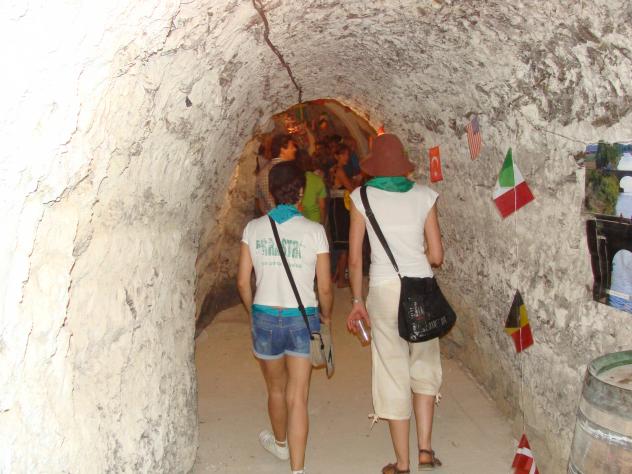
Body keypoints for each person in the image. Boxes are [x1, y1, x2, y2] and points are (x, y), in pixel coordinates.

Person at [345, 133, 444, 474]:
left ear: (373, 165)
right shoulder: (425, 196)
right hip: (422, 291)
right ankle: (425, 450)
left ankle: (402, 464)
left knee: (392, 369)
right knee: (424, 364)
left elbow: (355, 258)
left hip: (385, 290)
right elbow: (436, 255)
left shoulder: (361, 197)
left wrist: (357, 300)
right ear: (404, 164)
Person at [237, 162, 333, 474]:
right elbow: (325, 286)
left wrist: (254, 311)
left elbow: (243, 282)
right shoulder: (315, 232)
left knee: (276, 389)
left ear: (272, 192)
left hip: (265, 315)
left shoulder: (253, 229)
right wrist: (326, 316)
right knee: (298, 397)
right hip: (302, 318)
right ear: (301, 192)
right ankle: (297, 469)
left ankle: (280, 445)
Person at [328, 143, 356, 287]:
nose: (347, 157)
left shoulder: (332, 169)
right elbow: (351, 189)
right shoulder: (339, 171)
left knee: (339, 244)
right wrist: (357, 180)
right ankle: (341, 280)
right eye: (344, 154)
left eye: (347, 154)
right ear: (337, 156)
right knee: (344, 244)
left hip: (335, 205)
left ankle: (336, 275)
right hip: (340, 208)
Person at [255, 134, 298, 214]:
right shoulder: (288, 171)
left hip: (269, 218)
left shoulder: (262, 172)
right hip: (287, 216)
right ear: (282, 150)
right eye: (292, 147)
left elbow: (259, 200)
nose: (295, 149)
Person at [300, 154, 328, 225]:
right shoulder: (317, 179)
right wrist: (323, 222)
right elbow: (322, 206)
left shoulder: (294, 179)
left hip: (300, 219)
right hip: (315, 219)